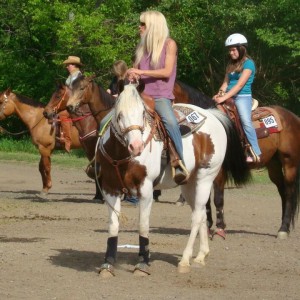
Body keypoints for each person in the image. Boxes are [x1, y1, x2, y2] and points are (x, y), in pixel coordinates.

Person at [127, 10, 189, 185]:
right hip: (139, 96)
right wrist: (132, 75)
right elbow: (136, 71)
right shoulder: (141, 47)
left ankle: (179, 162)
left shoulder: (169, 45)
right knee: (108, 119)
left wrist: (141, 71)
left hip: (160, 97)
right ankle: (101, 160)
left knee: (170, 122)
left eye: (143, 24)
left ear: (154, 26)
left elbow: (167, 72)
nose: (139, 27)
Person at [213, 33, 262, 163]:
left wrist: (225, 97)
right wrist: (220, 93)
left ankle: (255, 151)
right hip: (229, 96)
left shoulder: (249, 64)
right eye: (229, 50)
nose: (231, 52)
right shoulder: (231, 65)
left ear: (241, 49)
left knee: (245, 121)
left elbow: (240, 84)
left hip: (242, 97)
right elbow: (225, 83)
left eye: (233, 49)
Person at [60, 56, 83, 152]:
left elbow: (74, 92)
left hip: (76, 104)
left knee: (63, 115)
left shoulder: (78, 76)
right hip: (70, 102)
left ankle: (67, 140)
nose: (67, 67)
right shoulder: (72, 76)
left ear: (74, 65)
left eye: (68, 65)